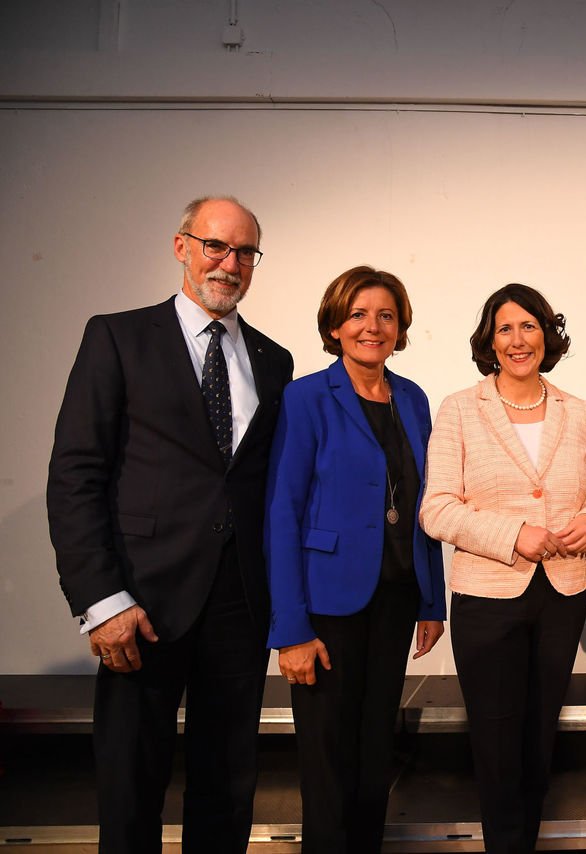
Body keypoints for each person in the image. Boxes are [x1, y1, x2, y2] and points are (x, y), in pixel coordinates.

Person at [46, 196, 293, 853]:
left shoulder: (274, 360)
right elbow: (75, 475)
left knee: (227, 787)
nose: (229, 263)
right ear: (182, 246)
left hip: (239, 605)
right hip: (141, 603)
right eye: (216, 245)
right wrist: (101, 602)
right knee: (130, 789)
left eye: (245, 252)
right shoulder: (117, 337)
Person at [264, 266, 446, 852]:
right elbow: (282, 513)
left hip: (394, 601)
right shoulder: (307, 396)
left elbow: (427, 504)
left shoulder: (413, 398)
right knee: (328, 763)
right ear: (335, 325)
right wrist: (289, 628)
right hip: (327, 608)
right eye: (359, 314)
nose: (374, 327)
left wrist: (429, 598)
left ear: (401, 326)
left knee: (375, 759)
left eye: (386, 315)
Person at [420, 283, 586, 854]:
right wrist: (512, 535)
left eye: (530, 326)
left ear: (548, 335)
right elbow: (436, 508)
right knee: (497, 746)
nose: (518, 339)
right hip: (486, 598)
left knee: (538, 738)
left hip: (562, 592)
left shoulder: (576, 410)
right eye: (505, 328)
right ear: (489, 340)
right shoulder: (459, 408)